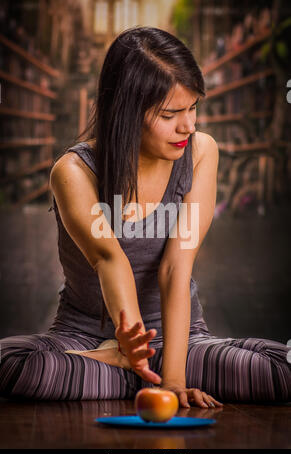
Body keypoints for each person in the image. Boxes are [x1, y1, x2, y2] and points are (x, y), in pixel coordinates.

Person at [0, 27, 290, 408]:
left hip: (179, 342)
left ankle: (117, 378)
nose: (188, 126)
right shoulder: (74, 171)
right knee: (21, 369)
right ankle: (115, 365)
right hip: (87, 337)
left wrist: (171, 381)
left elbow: (176, 266)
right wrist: (130, 349)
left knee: (279, 371)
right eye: (170, 114)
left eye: (193, 108)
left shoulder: (201, 152)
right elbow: (110, 259)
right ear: (126, 110)